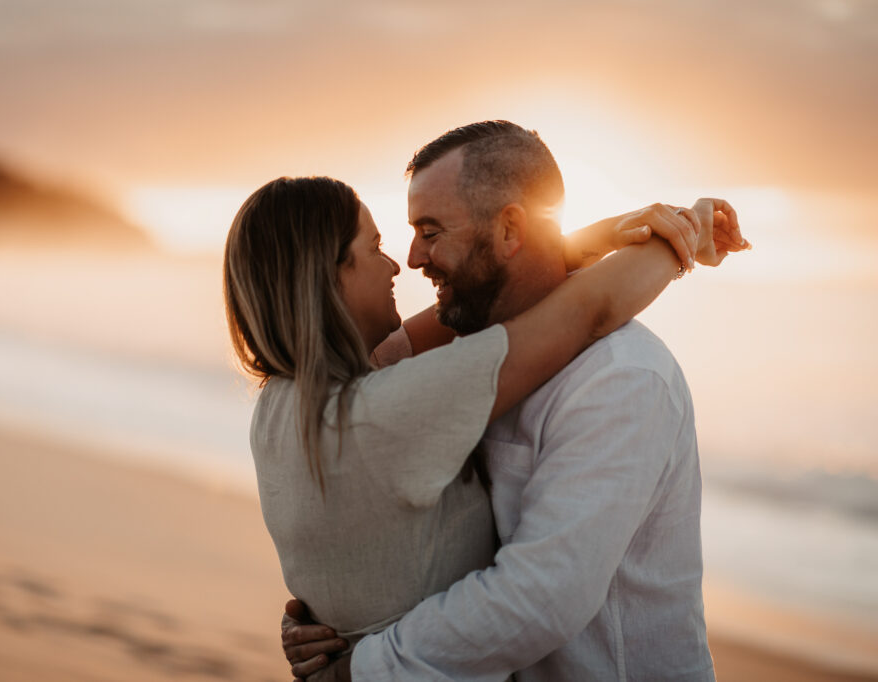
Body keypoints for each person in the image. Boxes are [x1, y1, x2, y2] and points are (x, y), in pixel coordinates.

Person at [279, 121, 748, 681]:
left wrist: (362, 667)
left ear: (509, 230)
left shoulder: (622, 380)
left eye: (430, 230)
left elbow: (540, 596)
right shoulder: (457, 358)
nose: (411, 257)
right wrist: (334, 619)